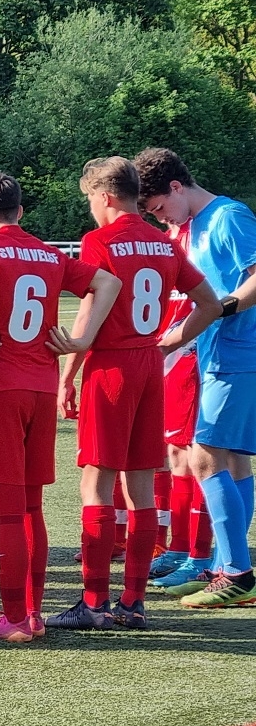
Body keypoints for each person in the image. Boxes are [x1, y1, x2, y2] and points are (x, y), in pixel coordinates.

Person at [48, 157, 220, 631]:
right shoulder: (163, 242)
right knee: (141, 485)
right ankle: (133, 602)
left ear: (104, 196)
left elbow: (92, 313)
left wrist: (67, 375)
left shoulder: (100, 241)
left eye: (90, 199)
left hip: (111, 368)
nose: (91, 208)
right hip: (149, 366)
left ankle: (93, 602)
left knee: (97, 483)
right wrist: (171, 340)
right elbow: (208, 304)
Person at [0, 173, 121, 641]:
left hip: (0, 389)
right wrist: (82, 340)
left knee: (9, 511)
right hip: (41, 387)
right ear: (20, 212)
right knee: (32, 507)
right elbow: (107, 282)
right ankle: (32, 612)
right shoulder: (48, 254)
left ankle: (14, 617)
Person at [135, 147, 256, 607]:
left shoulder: (228, 217)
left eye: (160, 208)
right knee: (234, 460)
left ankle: (237, 573)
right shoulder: (191, 226)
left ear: (177, 187)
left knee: (204, 455)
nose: (161, 218)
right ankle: (228, 566)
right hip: (216, 352)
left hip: (238, 351)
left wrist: (220, 310)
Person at [146, 220, 217, 592]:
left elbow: (210, 300)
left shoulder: (204, 235)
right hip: (167, 357)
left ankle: (200, 556)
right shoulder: (166, 238)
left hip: (189, 355)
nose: (156, 214)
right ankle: (178, 548)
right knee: (175, 454)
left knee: (195, 455)